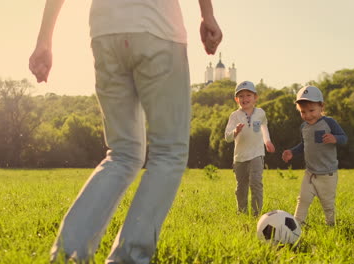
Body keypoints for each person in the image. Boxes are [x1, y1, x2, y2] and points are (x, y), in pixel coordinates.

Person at [29, 0, 222, 263]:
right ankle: (127, 258)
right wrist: (207, 14)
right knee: (168, 152)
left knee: (122, 154)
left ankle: (68, 254)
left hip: (105, 31)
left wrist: (44, 40)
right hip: (158, 27)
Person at [282, 85, 347, 226]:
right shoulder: (304, 127)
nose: (307, 115)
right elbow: (304, 145)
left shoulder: (329, 123)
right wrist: (292, 152)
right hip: (310, 173)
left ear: (321, 106)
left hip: (327, 174)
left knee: (327, 203)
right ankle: (297, 223)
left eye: (311, 110)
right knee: (303, 198)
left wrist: (335, 138)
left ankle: (330, 225)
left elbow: (344, 137)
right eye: (303, 112)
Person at [225, 81, 275, 216]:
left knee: (256, 183)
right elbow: (227, 137)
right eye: (241, 96)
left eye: (248, 95)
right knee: (241, 187)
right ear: (236, 99)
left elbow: (264, 128)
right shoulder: (234, 116)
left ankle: (256, 214)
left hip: (257, 154)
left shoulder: (260, 113)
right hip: (240, 157)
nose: (245, 98)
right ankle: (242, 212)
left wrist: (267, 141)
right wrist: (235, 131)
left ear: (255, 97)